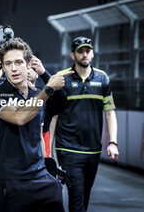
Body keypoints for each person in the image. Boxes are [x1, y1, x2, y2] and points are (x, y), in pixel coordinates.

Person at [0, 37, 73, 212]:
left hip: (42, 177)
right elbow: (19, 117)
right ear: (3, 67)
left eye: (18, 62)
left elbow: (61, 102)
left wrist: (45, 75)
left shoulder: (38, 94)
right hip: (11, 181)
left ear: (28, 64)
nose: (14, 68)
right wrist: (48, 88)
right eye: (8, 64)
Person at [49, 36, 119, 212]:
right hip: (68, 149)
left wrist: (113, 142)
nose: (84, 54)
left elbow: (109, 112)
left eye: (88, 50)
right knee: (77, 196)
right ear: (73, 55)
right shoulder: (62, 79)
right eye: (80, 51)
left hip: (93, 150)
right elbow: (54, 117)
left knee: (84, 195)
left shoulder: (103, 79)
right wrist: (48, 150)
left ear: (93, 53)